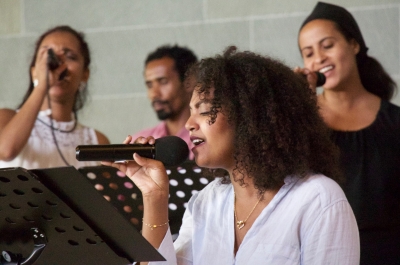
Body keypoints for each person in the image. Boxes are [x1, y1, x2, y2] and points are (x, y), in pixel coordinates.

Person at [103, 46, 360, 264]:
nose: (190, 124)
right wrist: (154, 197)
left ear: (250, 115)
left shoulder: (318, 199)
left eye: (203, 110)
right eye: (191, 111)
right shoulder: (207, 202)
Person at [296, 2, 400, 264]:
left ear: (354, 45)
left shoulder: (395, 121)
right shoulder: (302, 120)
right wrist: (301, 108)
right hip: (322, 251)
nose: (318, 58)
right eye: (308, 53)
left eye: (327, 45)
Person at [0, 25, 109, 169]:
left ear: (85, 74)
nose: (58, 66)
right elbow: (6, 152)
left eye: (70, 57)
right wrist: (42, 85)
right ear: (34, 72)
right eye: (49, 56)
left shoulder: (97, 141)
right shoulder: (7, 118)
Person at [132, 45, 198, 159]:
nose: (154, 94)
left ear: (189, 82)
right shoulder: (140, 142)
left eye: (163, 82)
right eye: (149, 85)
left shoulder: (209, 140)